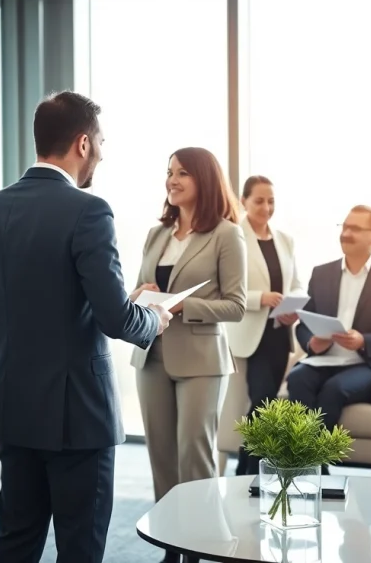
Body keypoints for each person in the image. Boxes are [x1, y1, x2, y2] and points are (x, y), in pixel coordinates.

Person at [0, 90, 173, 563]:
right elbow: (116, 317)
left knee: (16, 538)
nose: (102, 152)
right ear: (82, 143)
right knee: (80, 546)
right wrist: (154, 319)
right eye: (100, 141)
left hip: (13, 406)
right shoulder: (89, 211)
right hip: (77, 415)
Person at [129, 147, 247, 563]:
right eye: (169, 173)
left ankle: (198, 545)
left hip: (200, 360)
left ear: (205, 180)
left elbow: (236, 305)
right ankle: (172, 545)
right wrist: (141, 297)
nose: (172, 180)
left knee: (193, 453)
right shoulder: (156, 234)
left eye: (182, 173)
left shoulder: (227, 234)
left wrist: (181, 306)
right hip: (151, 355)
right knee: (161, 454)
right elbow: (141, 288)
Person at [286, 204, 371, 473]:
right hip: (324, 360)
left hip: (369, 365)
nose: (346, 233)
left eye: (355, 228)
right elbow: (303, 324)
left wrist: (363, 340)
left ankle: (312, 468)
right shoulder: (321, 273)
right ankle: (312, 469)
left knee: (334, 389)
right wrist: (312, 342)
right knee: (297, 379)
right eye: (344, 227)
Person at [225, 175, 304, 475]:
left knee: (266, 403)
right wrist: (262, 298)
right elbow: (225, 289)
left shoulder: (285, 240)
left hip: (278, 333)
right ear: (244, 201)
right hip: (247, 332)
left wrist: (291, 305)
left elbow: (296, 284)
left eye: (271, 201)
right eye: (259, 200)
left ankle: (248, 469)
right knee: (261, 400)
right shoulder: (234, 237)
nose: (266, 207)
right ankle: (246, 470)